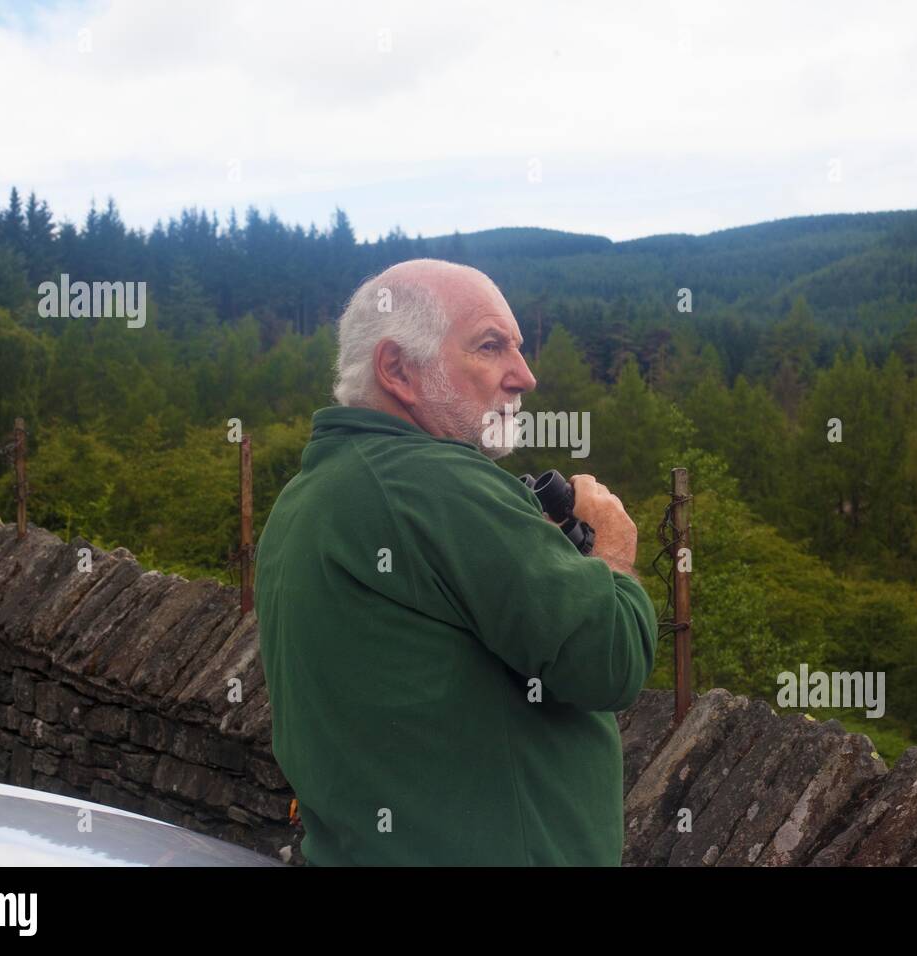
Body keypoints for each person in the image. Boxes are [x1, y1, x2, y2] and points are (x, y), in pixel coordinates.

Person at [254, 258, 658, 865]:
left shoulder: (311, 490)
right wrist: (612, 551)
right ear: (398, 369)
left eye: (518, 349)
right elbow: (610, 660)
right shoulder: (437, 483)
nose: (525, 376)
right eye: (490, 346)